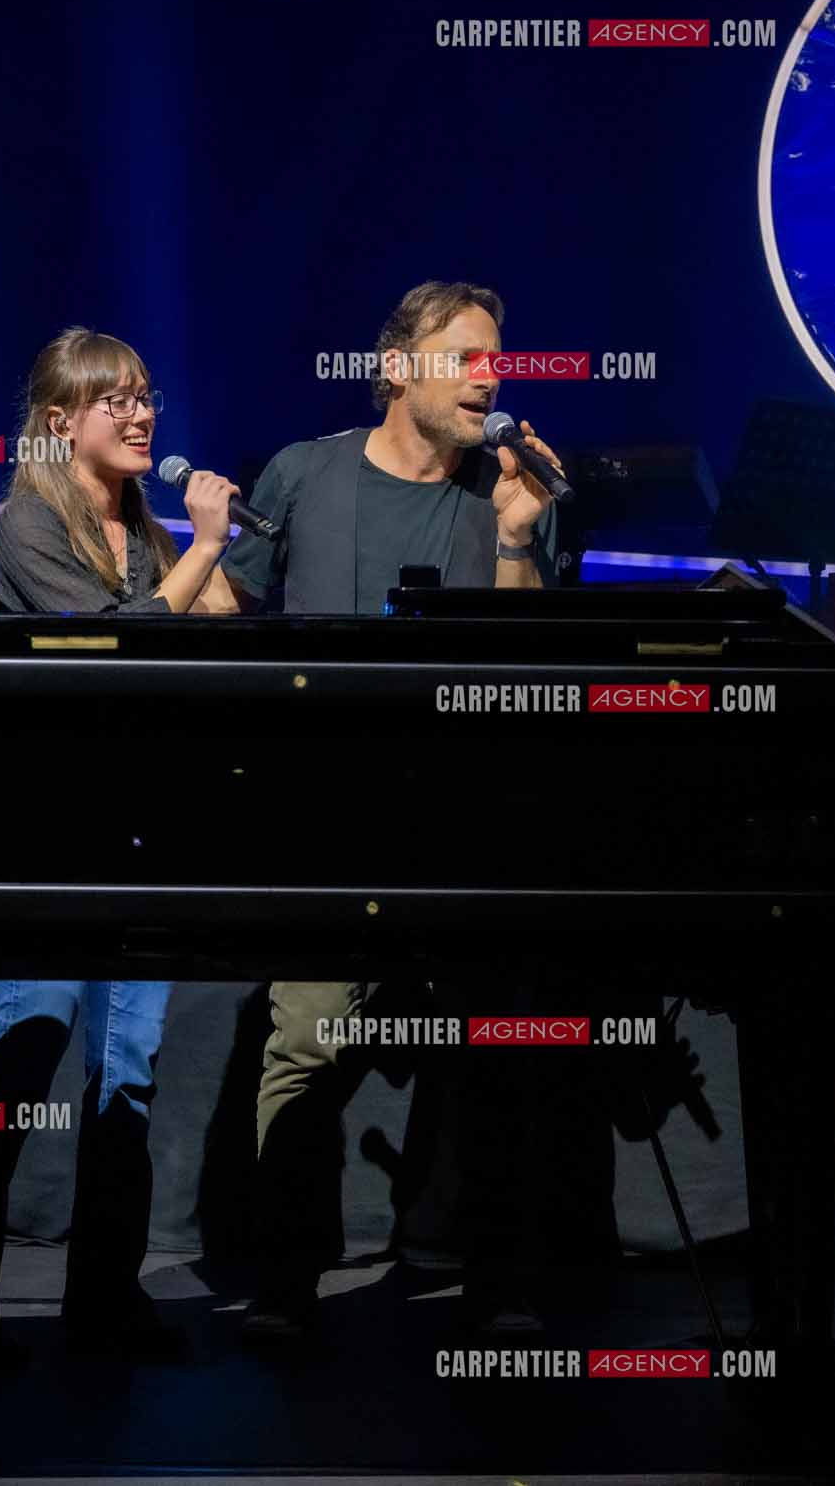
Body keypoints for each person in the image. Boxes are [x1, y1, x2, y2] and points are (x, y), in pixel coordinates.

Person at [194, 280, 565, 1336]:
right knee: (304, 1045)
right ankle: (284, 1284)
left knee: (493, 1053)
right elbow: (237, 605)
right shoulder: (305, 474)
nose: (489, 375)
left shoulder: (509, 491)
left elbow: (531, 667)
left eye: (497, 357)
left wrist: (513, 534)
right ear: (397, 367)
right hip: (328, 824)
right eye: (466, 355)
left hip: (471, 828)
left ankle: (496, 1292)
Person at [0, 327, 239, 1368]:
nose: (143, 416)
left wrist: (202, 544)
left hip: (143, 830)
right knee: (30, 1041)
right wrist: (208, 549)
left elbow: (217, 631)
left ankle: (106, 1296)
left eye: (147, 397)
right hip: (48, 834)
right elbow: (122, 644)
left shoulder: (142, 527)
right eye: (116, 402)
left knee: (127, 1069)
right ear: (60, 423)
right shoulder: (25, 531)